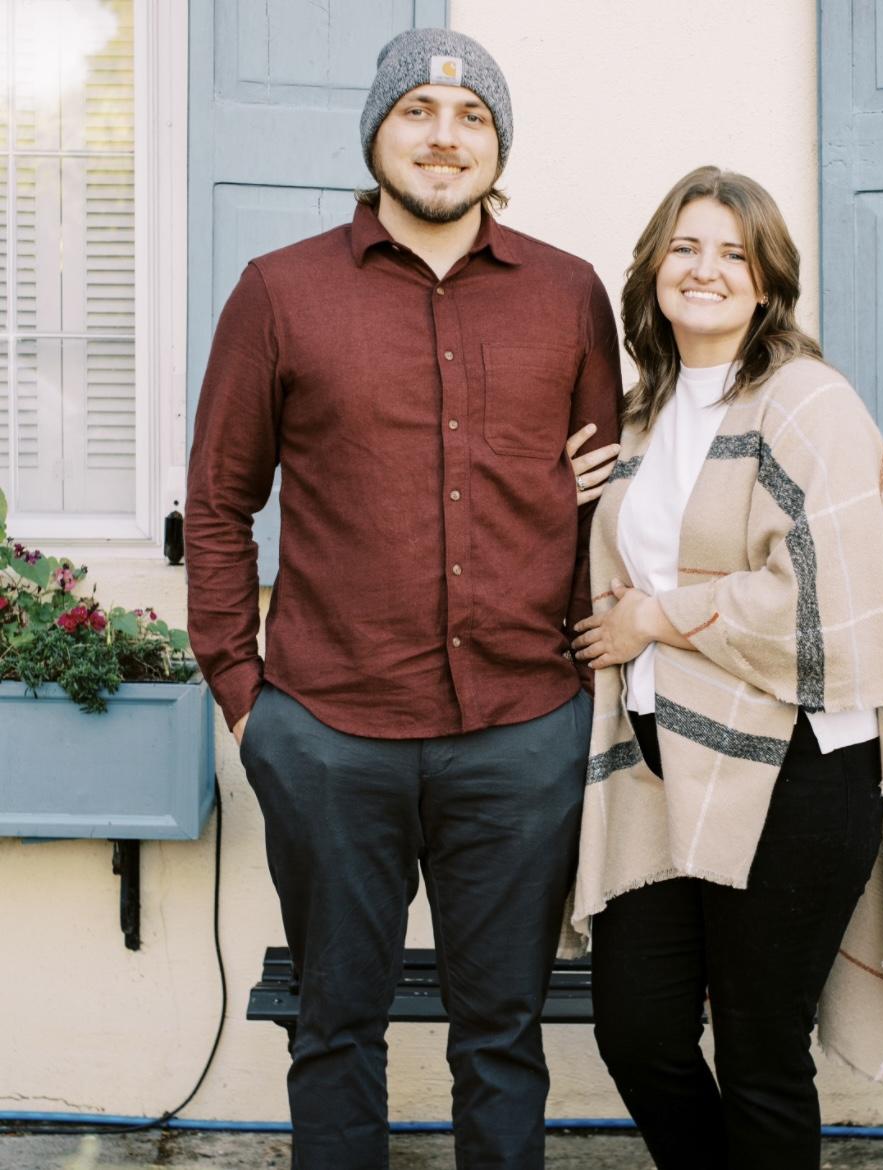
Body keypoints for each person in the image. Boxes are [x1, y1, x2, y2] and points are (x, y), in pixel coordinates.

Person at [185, 28, 622, 1170]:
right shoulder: (279, 292)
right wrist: (244, 694)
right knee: (334, 1031)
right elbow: (220, 502)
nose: (444, 137)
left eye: (472, 117)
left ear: (499, 146)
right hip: (329, 734)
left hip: (522, 733)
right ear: (376, 133)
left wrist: (584, 694)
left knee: (504, 1038)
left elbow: (607, 507)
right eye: (418, 112)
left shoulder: (570, 295)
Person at [570, 167, 883, 1169]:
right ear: (655, 269)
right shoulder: (643, 417)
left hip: (796, 768)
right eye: (685, 248)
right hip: (660, 761)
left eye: (733, 254)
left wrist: (657, 618)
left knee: (759, 1054)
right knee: (638, 1030)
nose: (705, 270)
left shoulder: (807, 404)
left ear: (767, 283)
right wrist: (558, 490)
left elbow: (824, 603)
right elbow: (607, 567)